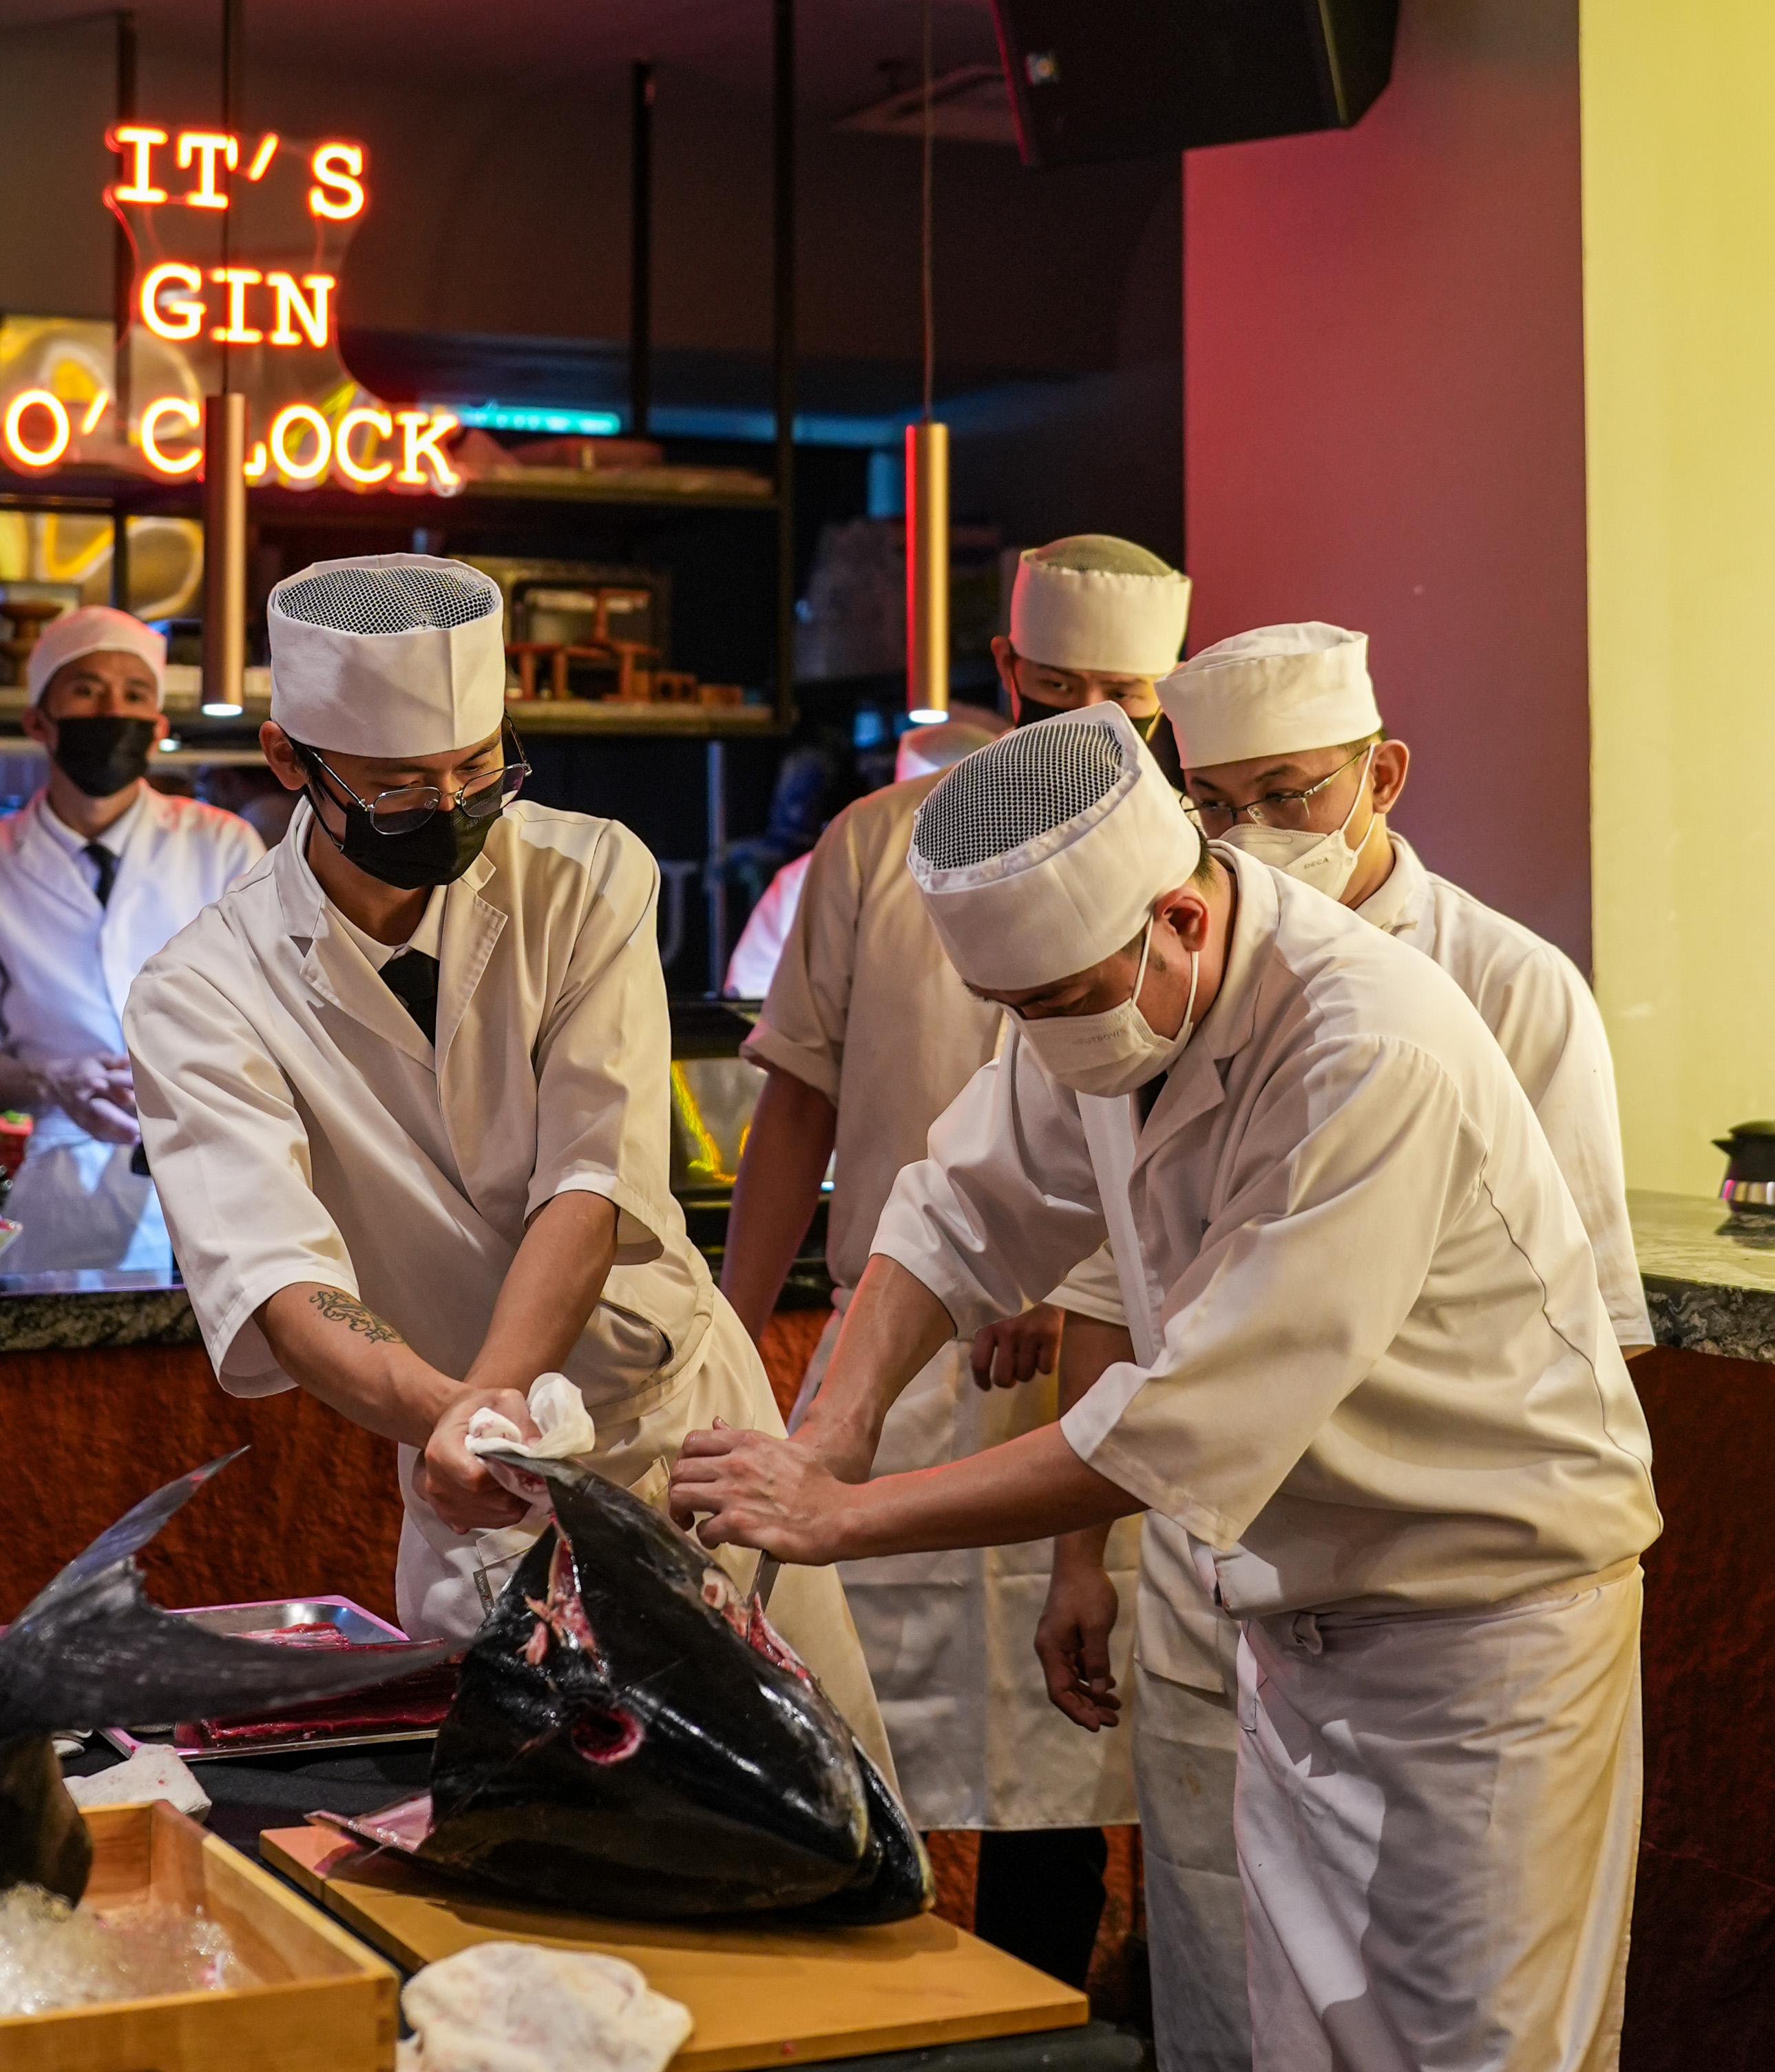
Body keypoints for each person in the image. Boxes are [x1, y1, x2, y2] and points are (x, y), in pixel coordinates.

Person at [670, 705, 1660, 2072]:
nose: (1039, 1038)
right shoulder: (1106, 987)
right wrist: (830, 1429)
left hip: (1477, 1637)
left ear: (1184, 917)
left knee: (1473, 2051)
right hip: (1297, 1617)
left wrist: (839, 1518)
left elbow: (1169, 1426)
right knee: (1300, 2046)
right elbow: (956, 1208)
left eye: (1057, 1004)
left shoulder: (1363, 1047)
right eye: (1012, 1011)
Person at [123, 554, 889, 1774]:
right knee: (531, 1856)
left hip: (678, 1424)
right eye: (400, 785)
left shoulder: (586, 874)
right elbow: (276, 1273)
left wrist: (488, 1399)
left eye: (480, 769)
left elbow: (591, 1176)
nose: (454, 807)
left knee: (813, 1802)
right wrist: (460, 1419)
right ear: (288, 763)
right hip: (467, 1474)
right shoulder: (201, 992)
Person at [1038, 621, 1659, 2064]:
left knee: (1469, 2028)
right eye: (1215, 803)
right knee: (1236, 1994)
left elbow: (1583, 1336)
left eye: (1290, 794)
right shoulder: (1170, 967)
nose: (1251, 834)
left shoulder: (1505, 991)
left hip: (1448, 1602)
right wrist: (1087, 1553)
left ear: (1380, 774)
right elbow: (1096, 1261)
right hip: (1232, 1589)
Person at [720, 538, 1190, 1989]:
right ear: (1003, 674)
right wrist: (731, 1334)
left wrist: (1073, 1286)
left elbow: (1159, 1134)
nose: (1088, 724)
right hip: (896, 1347)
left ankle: (1031, 2019)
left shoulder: (1185, 873)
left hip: (1098, 1365)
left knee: (1063, 1764)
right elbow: (797, 1098)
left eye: (1123, 701)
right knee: (859, 1735)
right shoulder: (875, 841)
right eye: (1059, 694)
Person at [0, 605, 263, 1274]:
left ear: (157, 728)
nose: (112, 709)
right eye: (87, 690)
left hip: (216, 1172)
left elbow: (277, 1016)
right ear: (39, 722)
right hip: (44, 1183)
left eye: (135, 695)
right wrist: (46, 1080)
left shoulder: (222, 845)